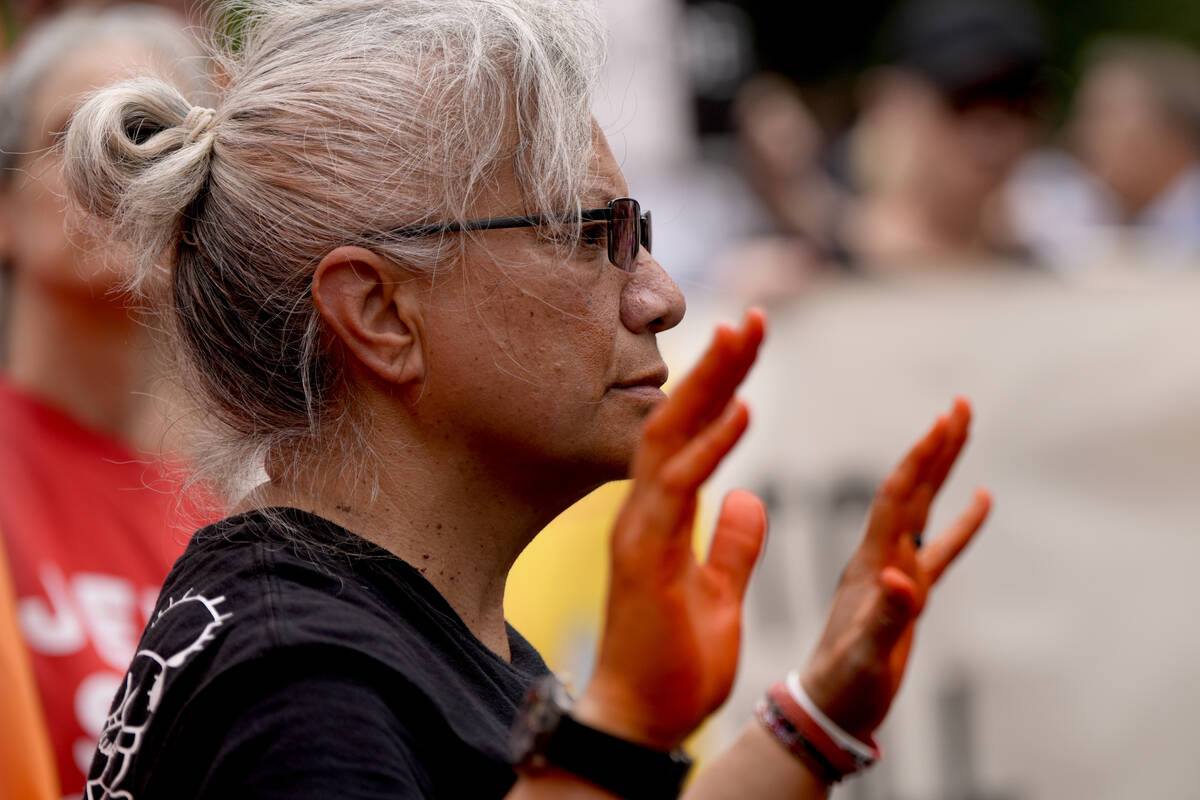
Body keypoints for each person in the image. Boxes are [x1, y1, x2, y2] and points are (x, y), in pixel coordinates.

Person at [63, 1, 991, 798]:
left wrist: (815, 721)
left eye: (638, 233)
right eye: (594, 235)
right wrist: (616, 723)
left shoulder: (362, 636)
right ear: (381, 312)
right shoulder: (304, 691)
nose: (661, 295)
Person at [0, 6, 213, 796]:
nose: (118, 162)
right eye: (70, 133)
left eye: (154, 132)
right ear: (3, 208)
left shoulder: (282, 507)